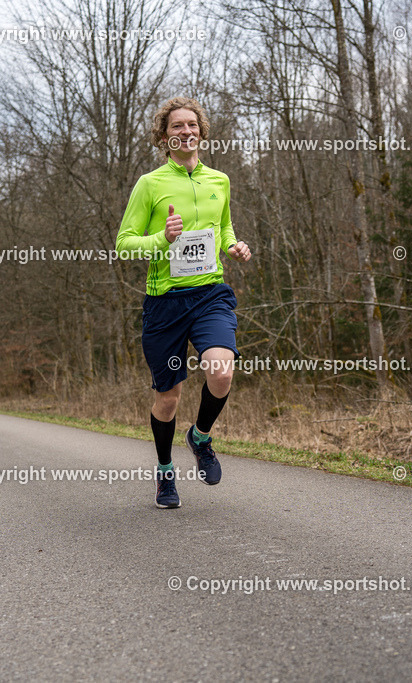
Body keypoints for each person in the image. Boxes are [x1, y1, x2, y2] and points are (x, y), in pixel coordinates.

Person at [115, 96, 251, 508]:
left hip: (210, 293)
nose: (185, 131)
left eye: (192, 125)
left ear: (201, 131)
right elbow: (124, 246)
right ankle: (164, 472)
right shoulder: (150, 184)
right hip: (165, 303)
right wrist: (162, 239)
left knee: (221, 371)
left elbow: (223, 227)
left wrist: (234, 246)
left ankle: (201, 436)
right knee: (168, 397)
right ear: (164, 136)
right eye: (176, 126)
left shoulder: (219, 181)